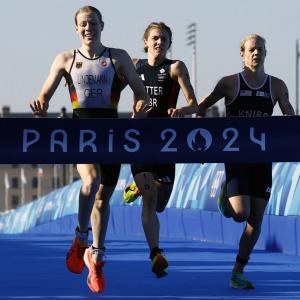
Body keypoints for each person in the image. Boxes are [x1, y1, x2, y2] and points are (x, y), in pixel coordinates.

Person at [30, 6, 150, 293]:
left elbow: (139, 90)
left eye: (93, 23)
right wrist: (40, 108)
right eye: (83, 24)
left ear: (102, 26)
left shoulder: (117, 57)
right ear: (76, 29)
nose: (88, 28)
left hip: (110, 134)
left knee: (102, 199)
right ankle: (80, 238)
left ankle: (96, 257)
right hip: (80, 133)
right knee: (90, 180)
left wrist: (140, 104)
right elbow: (43, 96)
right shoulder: (65, 59)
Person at [198, 34, 295, 289]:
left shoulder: (276, 85)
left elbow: (289, 115)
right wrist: (198, 140)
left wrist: (289, 117)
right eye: (251, 49)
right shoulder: (229, 83)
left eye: (260, 49)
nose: (256, 53)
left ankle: (238, 271)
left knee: (256, 221)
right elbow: (203, 106)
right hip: (236, 157)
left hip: (262, 160)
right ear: (242, 54)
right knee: (241, 214)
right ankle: (226, 199)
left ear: (266, 53)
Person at [123, 22, 198, 278]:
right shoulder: (135, 66)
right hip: (141, 140)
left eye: (164, 39)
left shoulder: (175, 67)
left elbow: (194, 105)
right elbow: (111, 92)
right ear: (145, 42)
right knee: (150, 199)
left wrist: (181, 111)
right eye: (154, 38)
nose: (159, 42)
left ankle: (135, 187)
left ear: (168, 43)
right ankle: (155, 252)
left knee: (160, 204)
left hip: (166, 143)